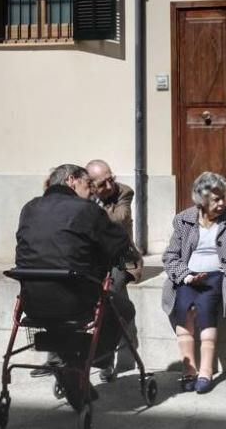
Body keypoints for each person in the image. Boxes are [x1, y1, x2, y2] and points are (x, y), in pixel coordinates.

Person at [15, 164, 135, 379]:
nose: (91, 191)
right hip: (74, 301)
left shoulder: (29, 208)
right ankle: (88, 359)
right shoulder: (85, 209)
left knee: (64, 303)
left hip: (31, 302)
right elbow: (118, 243)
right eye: (88, 184)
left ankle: (69, 364)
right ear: (72, 180)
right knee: (123, 308)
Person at [161, 171, 226, 394]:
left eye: (223, 198)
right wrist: (187, 275)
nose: (222, 203)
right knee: (184, 309)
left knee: (206, 308)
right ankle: (188, 370)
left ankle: (206, 372)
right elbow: (170, 256)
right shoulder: (184, 219)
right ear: (202, 200)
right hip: (188, 275)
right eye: (216, 199)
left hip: (216, 275)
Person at [85, 159, 142, 382]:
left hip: (121, 259)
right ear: (90, 184)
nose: (110, 186)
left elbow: (120, 219)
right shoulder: (83, 197)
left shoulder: (123, 192)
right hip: (92, 260)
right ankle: (57, 357)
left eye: (112, 179)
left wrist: (88, 210)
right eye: (103, 183)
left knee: (114, 293)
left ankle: (106, 359)